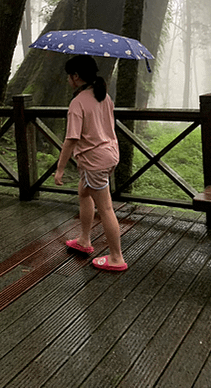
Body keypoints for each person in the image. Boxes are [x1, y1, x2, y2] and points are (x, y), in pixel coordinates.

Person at [54, 54, 127, 271]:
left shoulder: (78, 103)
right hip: (110, 154)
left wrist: (59, 169)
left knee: (105, 207)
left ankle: (116, 257)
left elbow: (71, 139)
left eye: (69, 75)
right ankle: (84, 240)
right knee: (84, 192)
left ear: (76, 76)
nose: (68, 79)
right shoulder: (104, 96)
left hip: (94, 160)